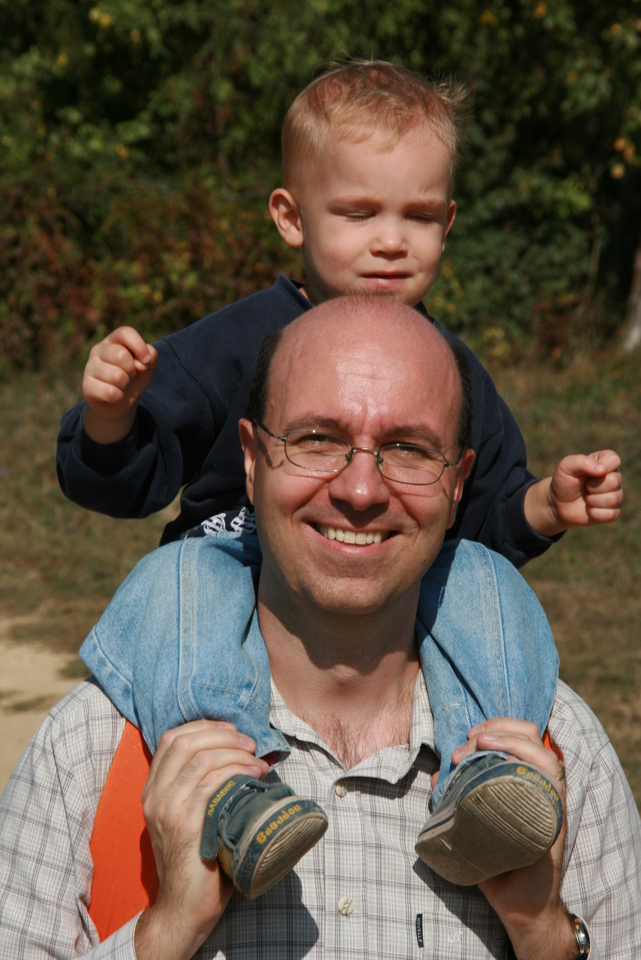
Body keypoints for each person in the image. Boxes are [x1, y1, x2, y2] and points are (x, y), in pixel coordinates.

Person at [1, 299, 638, 960]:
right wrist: (161, 937)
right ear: (251, 460)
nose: (360, 490)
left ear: (459, 484)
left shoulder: (555, 753)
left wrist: (544, 934)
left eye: (408, 449)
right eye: (316, 440)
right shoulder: (97, 748)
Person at [55, 60, 623, 561]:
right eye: (359, 214)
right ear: (292, 218)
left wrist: (547, 506)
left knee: (486, 596)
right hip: (233, 575)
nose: (392, 242)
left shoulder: (450, 372)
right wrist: (111, 418)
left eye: (419, 216)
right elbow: (120, 484)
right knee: (170, 584)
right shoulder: (232, 343)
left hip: (381, 599)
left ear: (447, 224)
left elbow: (482, 518)